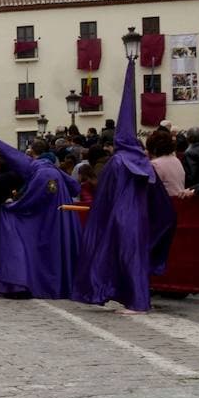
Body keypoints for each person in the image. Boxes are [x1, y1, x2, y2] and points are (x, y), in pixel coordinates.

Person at [72, 57, 176, 313]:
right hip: (139, 218)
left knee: (121, 256)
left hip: (120, 217)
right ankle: (135, 298)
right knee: (135, 257)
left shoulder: (117, 161)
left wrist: (102, 216)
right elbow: (158, 196)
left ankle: (136, 301)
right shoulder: (142, 161)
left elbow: (105, 194)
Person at [0, 122, 81, 299]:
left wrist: (11, 207)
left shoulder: (41, 173)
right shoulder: (53, 169)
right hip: (60, 219)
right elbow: (74, 186)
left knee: (14, 229)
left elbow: (30, 201)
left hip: (49, 221)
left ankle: (21, 281)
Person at [147, 129, 185, 196]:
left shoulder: (155, 164)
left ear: (153, 149)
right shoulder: (176, 160)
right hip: (179, 201)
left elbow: (150, 188)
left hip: (166, 202)